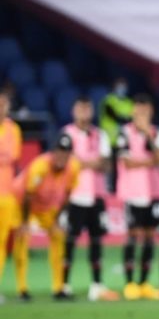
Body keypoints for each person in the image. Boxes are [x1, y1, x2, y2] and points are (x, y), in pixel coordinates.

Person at [61, 96, 120, 301]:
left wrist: (81, 162)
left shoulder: (100, 135)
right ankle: (64, 284)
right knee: (70, 241)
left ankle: (96, 284)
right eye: (80, 109)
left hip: (96, 195)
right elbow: (65, 162)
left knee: (96, 240)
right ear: (73, 111)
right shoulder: (67, 133)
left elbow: (106, 164)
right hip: (74, 195)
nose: (84, 113)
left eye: (87, 109)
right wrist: (90, 162)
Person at [11, 134, 80, 301]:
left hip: (45, 207)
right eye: (59, 152)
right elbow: (28, 195)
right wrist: (25, 222)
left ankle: (58, 288)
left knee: (58, 236)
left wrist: (56, 220)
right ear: (53, 152)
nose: (62, 157)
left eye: (66, 153)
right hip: (22, 203)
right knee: (22, 238)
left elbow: (67, 196)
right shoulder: (40, 166)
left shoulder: (74, 168)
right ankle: (22, 289)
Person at [116, 94, 159, 300]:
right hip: (132, 192)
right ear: (133, 111)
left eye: (146, 110)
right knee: (133, 235)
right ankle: (129, 283)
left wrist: (149, 136)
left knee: (149, 236)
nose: (142, 114)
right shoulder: (124, 132)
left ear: (151, 112)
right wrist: (151, 161)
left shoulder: (157, 133)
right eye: (139, 110)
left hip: (153, 190)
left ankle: (144, 282)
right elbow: (127, 162)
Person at [0, 90, 22, 304]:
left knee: (1, 244)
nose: (1, 108)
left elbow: (12, 155)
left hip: (6, 195)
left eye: (4, 104)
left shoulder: (13, 129)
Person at [99, 77, 133, 190]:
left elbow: (133, 119)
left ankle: (122, 188)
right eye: (119, 85)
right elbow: (115, 116)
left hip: (125, 141)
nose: (121, 88)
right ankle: (111, 189)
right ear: (114, 86)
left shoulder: (129, 102)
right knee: (111, 168)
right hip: (109, 140)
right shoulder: (108, 101)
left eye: (123, 85)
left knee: (123, 167)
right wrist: (125, 118)